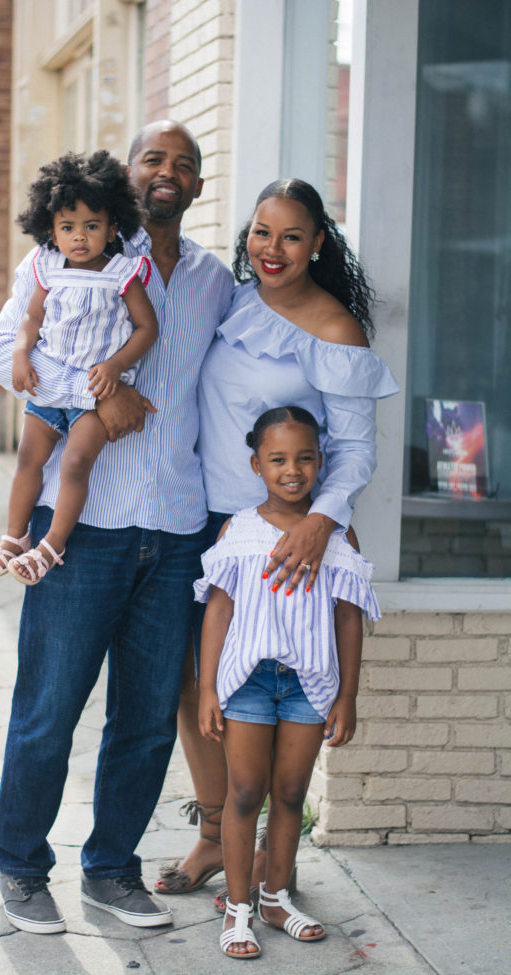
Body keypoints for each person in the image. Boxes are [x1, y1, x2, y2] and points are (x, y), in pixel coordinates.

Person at [0, 121, 234, 933]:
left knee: (147, 716)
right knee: (50, 707)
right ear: (130, 176)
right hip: (83, 529)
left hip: (177, 530)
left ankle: (112, 870)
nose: (169, 173)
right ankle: (22, 869)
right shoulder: (65, 252)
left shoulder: (212, 281)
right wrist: (96, 392)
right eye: (154, 159)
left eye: (184, 166)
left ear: (197, 187)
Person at [155, 179, 397, 906]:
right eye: (262, 232)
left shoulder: (335, 329)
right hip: (210, 522)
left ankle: (265, 853)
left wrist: (321, 522)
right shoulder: (232, 301)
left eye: (291, 235)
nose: (272, 249)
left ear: (319, 242)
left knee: (268, 680)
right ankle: (215, 830)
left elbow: (353, 450)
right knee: (190, 682)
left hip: (292, 536)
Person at [196, 406, 380, 958]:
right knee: (246, 792)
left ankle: (275, 898)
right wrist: (207, 687)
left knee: (292, 793)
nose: (292, 469)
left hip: (308, 683)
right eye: (278, 459)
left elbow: (348, 615)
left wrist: (347, 694)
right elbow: (218, 611)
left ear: (321, 464)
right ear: (257, 464)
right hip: (249, 680)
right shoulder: (240, 527)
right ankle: (237, 909)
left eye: (304, 458)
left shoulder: (337, 530)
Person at [0, 150, 158, 585]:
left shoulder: (123, 274)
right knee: (28, 459)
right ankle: (13, 536)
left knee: (75, 462)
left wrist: (115, 367)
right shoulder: (47, 269)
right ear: (52, 232)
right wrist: (22, 352)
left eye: (91, 226)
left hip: (95, 400)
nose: (79, 237)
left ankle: (52, 545)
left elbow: (146, 328)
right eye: (67, 227)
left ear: (112, 227)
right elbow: (31, 320)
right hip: (51, 390)